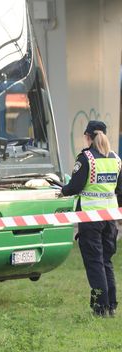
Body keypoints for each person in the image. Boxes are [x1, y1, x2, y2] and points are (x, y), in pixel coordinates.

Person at [61, 120, 122, 317]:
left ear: (88, 137)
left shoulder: (86, 158)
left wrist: (63, 189)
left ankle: (99, 307)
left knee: (94, 262)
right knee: (106, 261)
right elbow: (119, 191)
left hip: (90, 218)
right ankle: (111, 306)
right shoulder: (116, 159)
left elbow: (74, 187)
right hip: (110, 218)